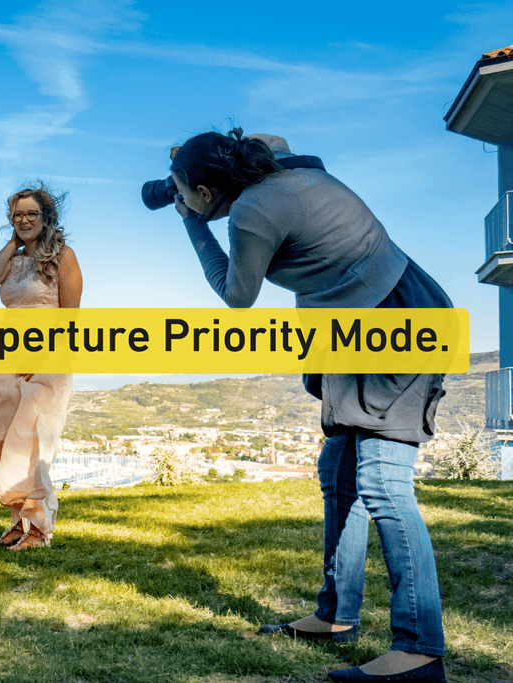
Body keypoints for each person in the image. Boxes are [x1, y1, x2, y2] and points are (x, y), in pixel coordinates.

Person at [167, 128, 448, 683]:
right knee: (340, 472)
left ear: (204, 189)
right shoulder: (286, 168)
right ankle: (337, 616)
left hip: (392, 320)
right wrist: (195, 172)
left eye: (185, 190)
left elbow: (237, 296)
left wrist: (192, 222)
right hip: (363, 321)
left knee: (385, 482)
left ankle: (419, 650)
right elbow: (275, 138)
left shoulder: (251, 209)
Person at [0, 183, 82, 550]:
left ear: (46, 216)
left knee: (32, 437)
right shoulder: (13, 256)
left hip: (45, 355)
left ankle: (38, 529)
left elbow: (70, 315)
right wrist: (12, 244)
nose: (24, 219)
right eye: (17, 214)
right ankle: (17, 520)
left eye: (31, 214)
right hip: (4, 352)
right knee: (4, 438)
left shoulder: (63, 255)